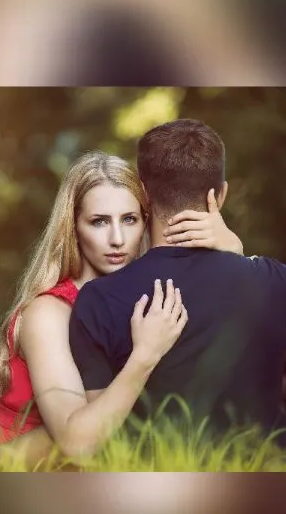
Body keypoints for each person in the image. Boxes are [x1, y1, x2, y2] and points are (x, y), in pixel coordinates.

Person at [0, 150, 243, 469]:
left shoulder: (147, 294)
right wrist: (145, 355)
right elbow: (75, 443)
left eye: (129, 219)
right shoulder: (48, 313)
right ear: (74, 227)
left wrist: (233, 252)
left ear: (146, 220)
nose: (117, 239)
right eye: (99, 221)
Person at [69, 120, 286, 444]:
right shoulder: (277, 282)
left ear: (143, 194)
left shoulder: (97, 300)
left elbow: (98, 440)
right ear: (221, 194)